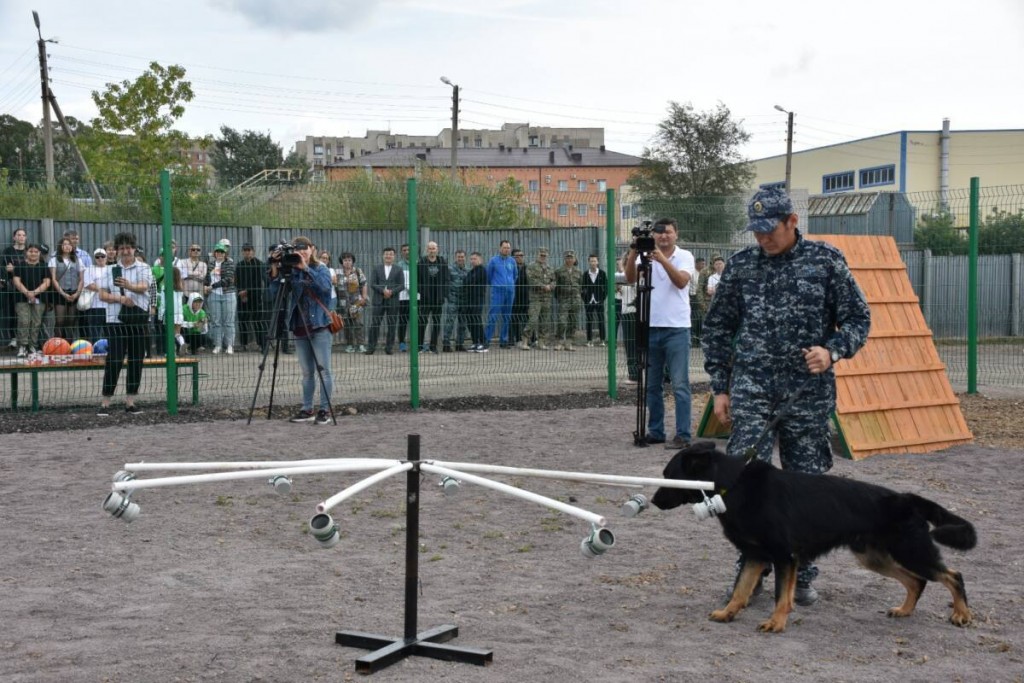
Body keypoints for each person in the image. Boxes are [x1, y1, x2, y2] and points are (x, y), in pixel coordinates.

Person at [702, 186, 871, 606]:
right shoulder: (741, 267)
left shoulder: (825, 261)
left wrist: (831, 351)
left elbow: (857, 318)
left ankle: (802, 572)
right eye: (755, 231)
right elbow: (718, 328)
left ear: (792, 221)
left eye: (769, 230)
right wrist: (720, 388)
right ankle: (751, 571)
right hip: (753, 387)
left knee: (806, 484)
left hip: (805, 392)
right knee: (743, 482)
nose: (762, 238)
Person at [624, 217, 695, 450]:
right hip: (650, 326)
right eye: (659, 233)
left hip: (677, 328)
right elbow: (630, 278)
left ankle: (683, 434)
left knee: (680, 384)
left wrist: (661, 259)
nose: (663, 236)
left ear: (676, 234)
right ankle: (656, 431)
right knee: (652, 385)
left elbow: (682, 282)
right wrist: (635, 252)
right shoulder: (645, 257)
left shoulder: (684, 256)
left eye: (668, 232)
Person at [268, 236, 334, 425]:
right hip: (299, 326)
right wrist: (275, 267)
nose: (302, 252)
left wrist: (305, 268)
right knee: (307, 372)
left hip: (320, 325)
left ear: (312, 249)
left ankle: (324, 410)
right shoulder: (292, 270)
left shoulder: (321, 268)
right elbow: (274, 293)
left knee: (324, 370)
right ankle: (307, 409)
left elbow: (324, 287)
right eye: (298, 250)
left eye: (305, 249)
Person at [96, 232, 153, 416]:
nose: (126, 251)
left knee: (136, 359)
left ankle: (130, 402)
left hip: (138, 319)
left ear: (134, 249)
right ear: (117, 250)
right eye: (122, 248)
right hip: (116, 320)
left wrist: (129, 286)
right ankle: (106, 401)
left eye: (129, 247)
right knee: (115, 359)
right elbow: (102, 295)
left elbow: (144, 286)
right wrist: (121, 298)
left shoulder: (144, 267)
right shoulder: (110, 270)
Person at [12, 243, 50, 358]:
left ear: (39, 253)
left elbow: (47, 282)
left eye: (36, 251)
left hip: (39, 299)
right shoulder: (19, 265)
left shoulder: (44, 266)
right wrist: (27, 293)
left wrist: (34, 293)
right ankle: (23, 346)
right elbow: (16, 281)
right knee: (24, 321)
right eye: (31, 251)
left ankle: (33, 345)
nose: (33, 253)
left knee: (36, 322)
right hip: (21, 298)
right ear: (26, 252)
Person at [365, 246, 404, 355]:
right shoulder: (376, 268)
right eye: (386, 254)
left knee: (392, 325)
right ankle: (371, 347)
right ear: (383, 256)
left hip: (393, 301)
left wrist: (391, 292)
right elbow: (372, 283)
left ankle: (389, 348)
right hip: (378, 300)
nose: (388, 256)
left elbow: (401, 285)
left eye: (391, 254)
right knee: (375, 324)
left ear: (394, 256)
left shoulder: (398, 269)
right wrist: (383, 291)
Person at [48, 236, 84, 341]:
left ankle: (69, 343)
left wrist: (77, 293)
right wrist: (63, 294)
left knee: (71, 320)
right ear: (60, 246)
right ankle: (58, 343)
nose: (67, 246)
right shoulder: (54, 260)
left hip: (74, 292)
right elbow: (54, 279)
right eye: (65, 244)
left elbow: (81, 279)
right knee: (60, 320)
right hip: (60, 292)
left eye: (69, 244)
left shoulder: (78, 260)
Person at [519, 247, 554, 351]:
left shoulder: (549, 268)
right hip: (535, 298)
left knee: (545, 321)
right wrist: (544, 286)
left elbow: (554, 280)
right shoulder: (531, 266)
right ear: (537, 255)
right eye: (541, 255)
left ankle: (541, 342)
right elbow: (531, 280)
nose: (543, 257)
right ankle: (525, 341)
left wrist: (551, 286)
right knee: (533, 320)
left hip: (547, 298)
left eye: (544, 255)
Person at [483, 240, 517, 349]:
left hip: (510, 292)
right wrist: (496, 284)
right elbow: (488, 276)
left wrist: (510, 285)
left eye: (508, 248)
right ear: (500, 248)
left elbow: (515, 275)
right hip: (497, 291)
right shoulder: (493, 261)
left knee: (507, 317)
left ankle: (504, 341)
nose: (506, 249)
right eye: (504, 247)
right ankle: (486, 340)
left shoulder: (512, 261)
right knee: (493, 316)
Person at [204, 242, 237, 354]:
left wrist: (211, 286)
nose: (220, 253)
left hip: (228, 294)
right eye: (218, 251)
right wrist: (205, 286)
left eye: (222, 252)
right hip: (213, 295)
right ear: (215, 253)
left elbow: (228, 279)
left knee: (229, 321)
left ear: (225, 253)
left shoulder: (230, 264)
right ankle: (217, 344)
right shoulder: (211, 264)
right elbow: (207, 278)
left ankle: (230, 345)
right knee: (216, 321)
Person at [417, 241, 449, 353]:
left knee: (436, 322)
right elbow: (417, 280)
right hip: (425, 298)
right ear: (427, 250)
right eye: (430, 248)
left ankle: (433, 346)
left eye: (433, 248)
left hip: (438, 298)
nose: (432, 250)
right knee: (422, 322)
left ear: (437, 249)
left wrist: (444, 295)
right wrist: (421, 292)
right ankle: (420, 347)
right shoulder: (421, 262)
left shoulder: (442, 262)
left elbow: (446, 279)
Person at [236, 243, 266, 351]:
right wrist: (241, 292)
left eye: (249, 250)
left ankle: (261, 344)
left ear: (253, 251)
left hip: (255, 297)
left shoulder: (259, 264)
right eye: (245, 250)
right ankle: (243, 344)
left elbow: (258, 282)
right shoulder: (239, 265)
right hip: (242, 297)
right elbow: (237, 281)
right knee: (242, 320)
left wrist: (247, 291)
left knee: (257, 320)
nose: (247, 252)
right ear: (242, 252)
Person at [2, 227, 29, 348]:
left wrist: (15, 269)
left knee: (27, 314)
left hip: (28, 286)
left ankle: (26, 339)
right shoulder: (7, 251)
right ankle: (13, 338)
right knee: (13, 312)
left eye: (23, 235)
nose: (21, 237)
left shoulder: (29, 251)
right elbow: (3, 267)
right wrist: (6, 270)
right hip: (12, 287)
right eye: (19, 235)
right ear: (14, 237)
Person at [337, 252, 368, 353]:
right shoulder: (338, 273)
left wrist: (364, 297)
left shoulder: (357, 271)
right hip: (343, 303)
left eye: (349, 260)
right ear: (342, 262)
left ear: (352, 261)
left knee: (358, 323)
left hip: (356, 302)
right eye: (345, 260)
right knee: (347, 324)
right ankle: (350, 345)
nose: (347, 262)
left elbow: (364, 284)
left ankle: (361, 345)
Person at [553, 250, 582, 351]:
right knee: (562, 322)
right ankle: (559, 341)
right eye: (567, 258)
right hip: (564, 300)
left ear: (574, 259)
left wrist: (578, 296)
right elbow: (555, 287)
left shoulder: (578, 271)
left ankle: (569, 342)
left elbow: (581, 286)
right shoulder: (559, 271)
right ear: (565, 259)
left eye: (571, 258)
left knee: (573, 322)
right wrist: (560, 298)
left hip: (575, 300)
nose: (569, 259)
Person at [442, 249, 470, 352]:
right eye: (459, 257)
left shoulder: (468, 270)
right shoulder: (450, 269)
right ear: (455, 257)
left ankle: (459, 344)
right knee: (449, 322)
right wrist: (448, 296)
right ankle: (446, 343)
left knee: (463, 323)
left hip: (464, 300)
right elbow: (445, 283)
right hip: (453, 299)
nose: (460, 259)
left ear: (465, 258)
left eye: (462, 257)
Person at [618, 253, 640, 384]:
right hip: (626, 312)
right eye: (626, 261)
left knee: (640, 345)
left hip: (637, 313)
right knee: (630, 345)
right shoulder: (621, 276)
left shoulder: (639, 275)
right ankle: (633, 374)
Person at [81, 247, 110, 343]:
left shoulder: (111, 269)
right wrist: (104, 289)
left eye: (102, 256)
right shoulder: (90, 269)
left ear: (106, 257)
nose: (100, 258)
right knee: (95, 331)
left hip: (110, 305)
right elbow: (89, 284)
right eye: (97, 257)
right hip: (95, 305)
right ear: (94, 258)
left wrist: (99, 288)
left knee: (109, 331)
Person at [581, 253, 607, 347]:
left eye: (595, 261)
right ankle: (589, 340)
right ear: (588, 262)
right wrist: (585, 299)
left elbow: (606, 288)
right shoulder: (585, 274)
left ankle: (602, 340)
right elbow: (582, 288)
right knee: (589, 321)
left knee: (601, 320)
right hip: (588, 301)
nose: (593, 263)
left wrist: (602, 298)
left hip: (599, 301)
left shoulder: (602, 274)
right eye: (591, 261)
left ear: (598, 262)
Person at [464, 251, 488, 352]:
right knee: (470, 321)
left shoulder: (482, 270)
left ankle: (483, 343)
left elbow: (471, 283)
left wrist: (469, 284)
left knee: (477, 320)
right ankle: (475, 342)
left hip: (477, 299)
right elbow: (466, 283)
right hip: (469, 299)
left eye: (475, 259)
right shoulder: (471, 272)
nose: (473, 261)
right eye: (472, 259)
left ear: (480, 259)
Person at [509, 248, 530, 346]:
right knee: (515, 318)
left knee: (528, 318)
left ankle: (531, 339)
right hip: (514, 297)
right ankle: (517, 339)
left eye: (521, 255)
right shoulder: (511, 268)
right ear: (513, 258)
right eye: (517, 256)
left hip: (526, 297)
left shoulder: (528, 268)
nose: (520, 257)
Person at [395, 243, 411, 352]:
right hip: (403, 297)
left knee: (418, 321)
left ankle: (418, 343)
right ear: (401, 252)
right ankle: (402, 343)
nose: (406, 252)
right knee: (403, 321)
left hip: (416, 297)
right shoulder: (398, 266)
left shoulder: (418, 263)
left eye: (408, 250)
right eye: (404, 250)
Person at [690, 256, 706, 347]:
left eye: (704, 264)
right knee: (694, 318)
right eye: (702, 264)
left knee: (699, 318)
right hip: (692, 297)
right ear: (697, 264)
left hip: (700, 298)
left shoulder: (703, 273)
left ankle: (699, 338)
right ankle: (693, 338)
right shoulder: (693, 273)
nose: (703, 265)